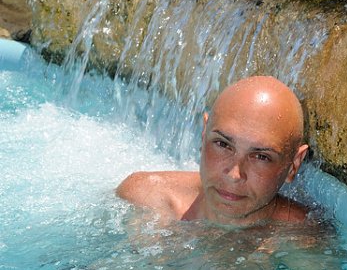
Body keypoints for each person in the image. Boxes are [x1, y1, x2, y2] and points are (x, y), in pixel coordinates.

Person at [116, 75, 309, 226]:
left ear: (293, 166)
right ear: (203, 135)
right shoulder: (145, 201)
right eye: (223, 145)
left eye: (261, 157)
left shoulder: (303, 240)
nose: (234, 175)